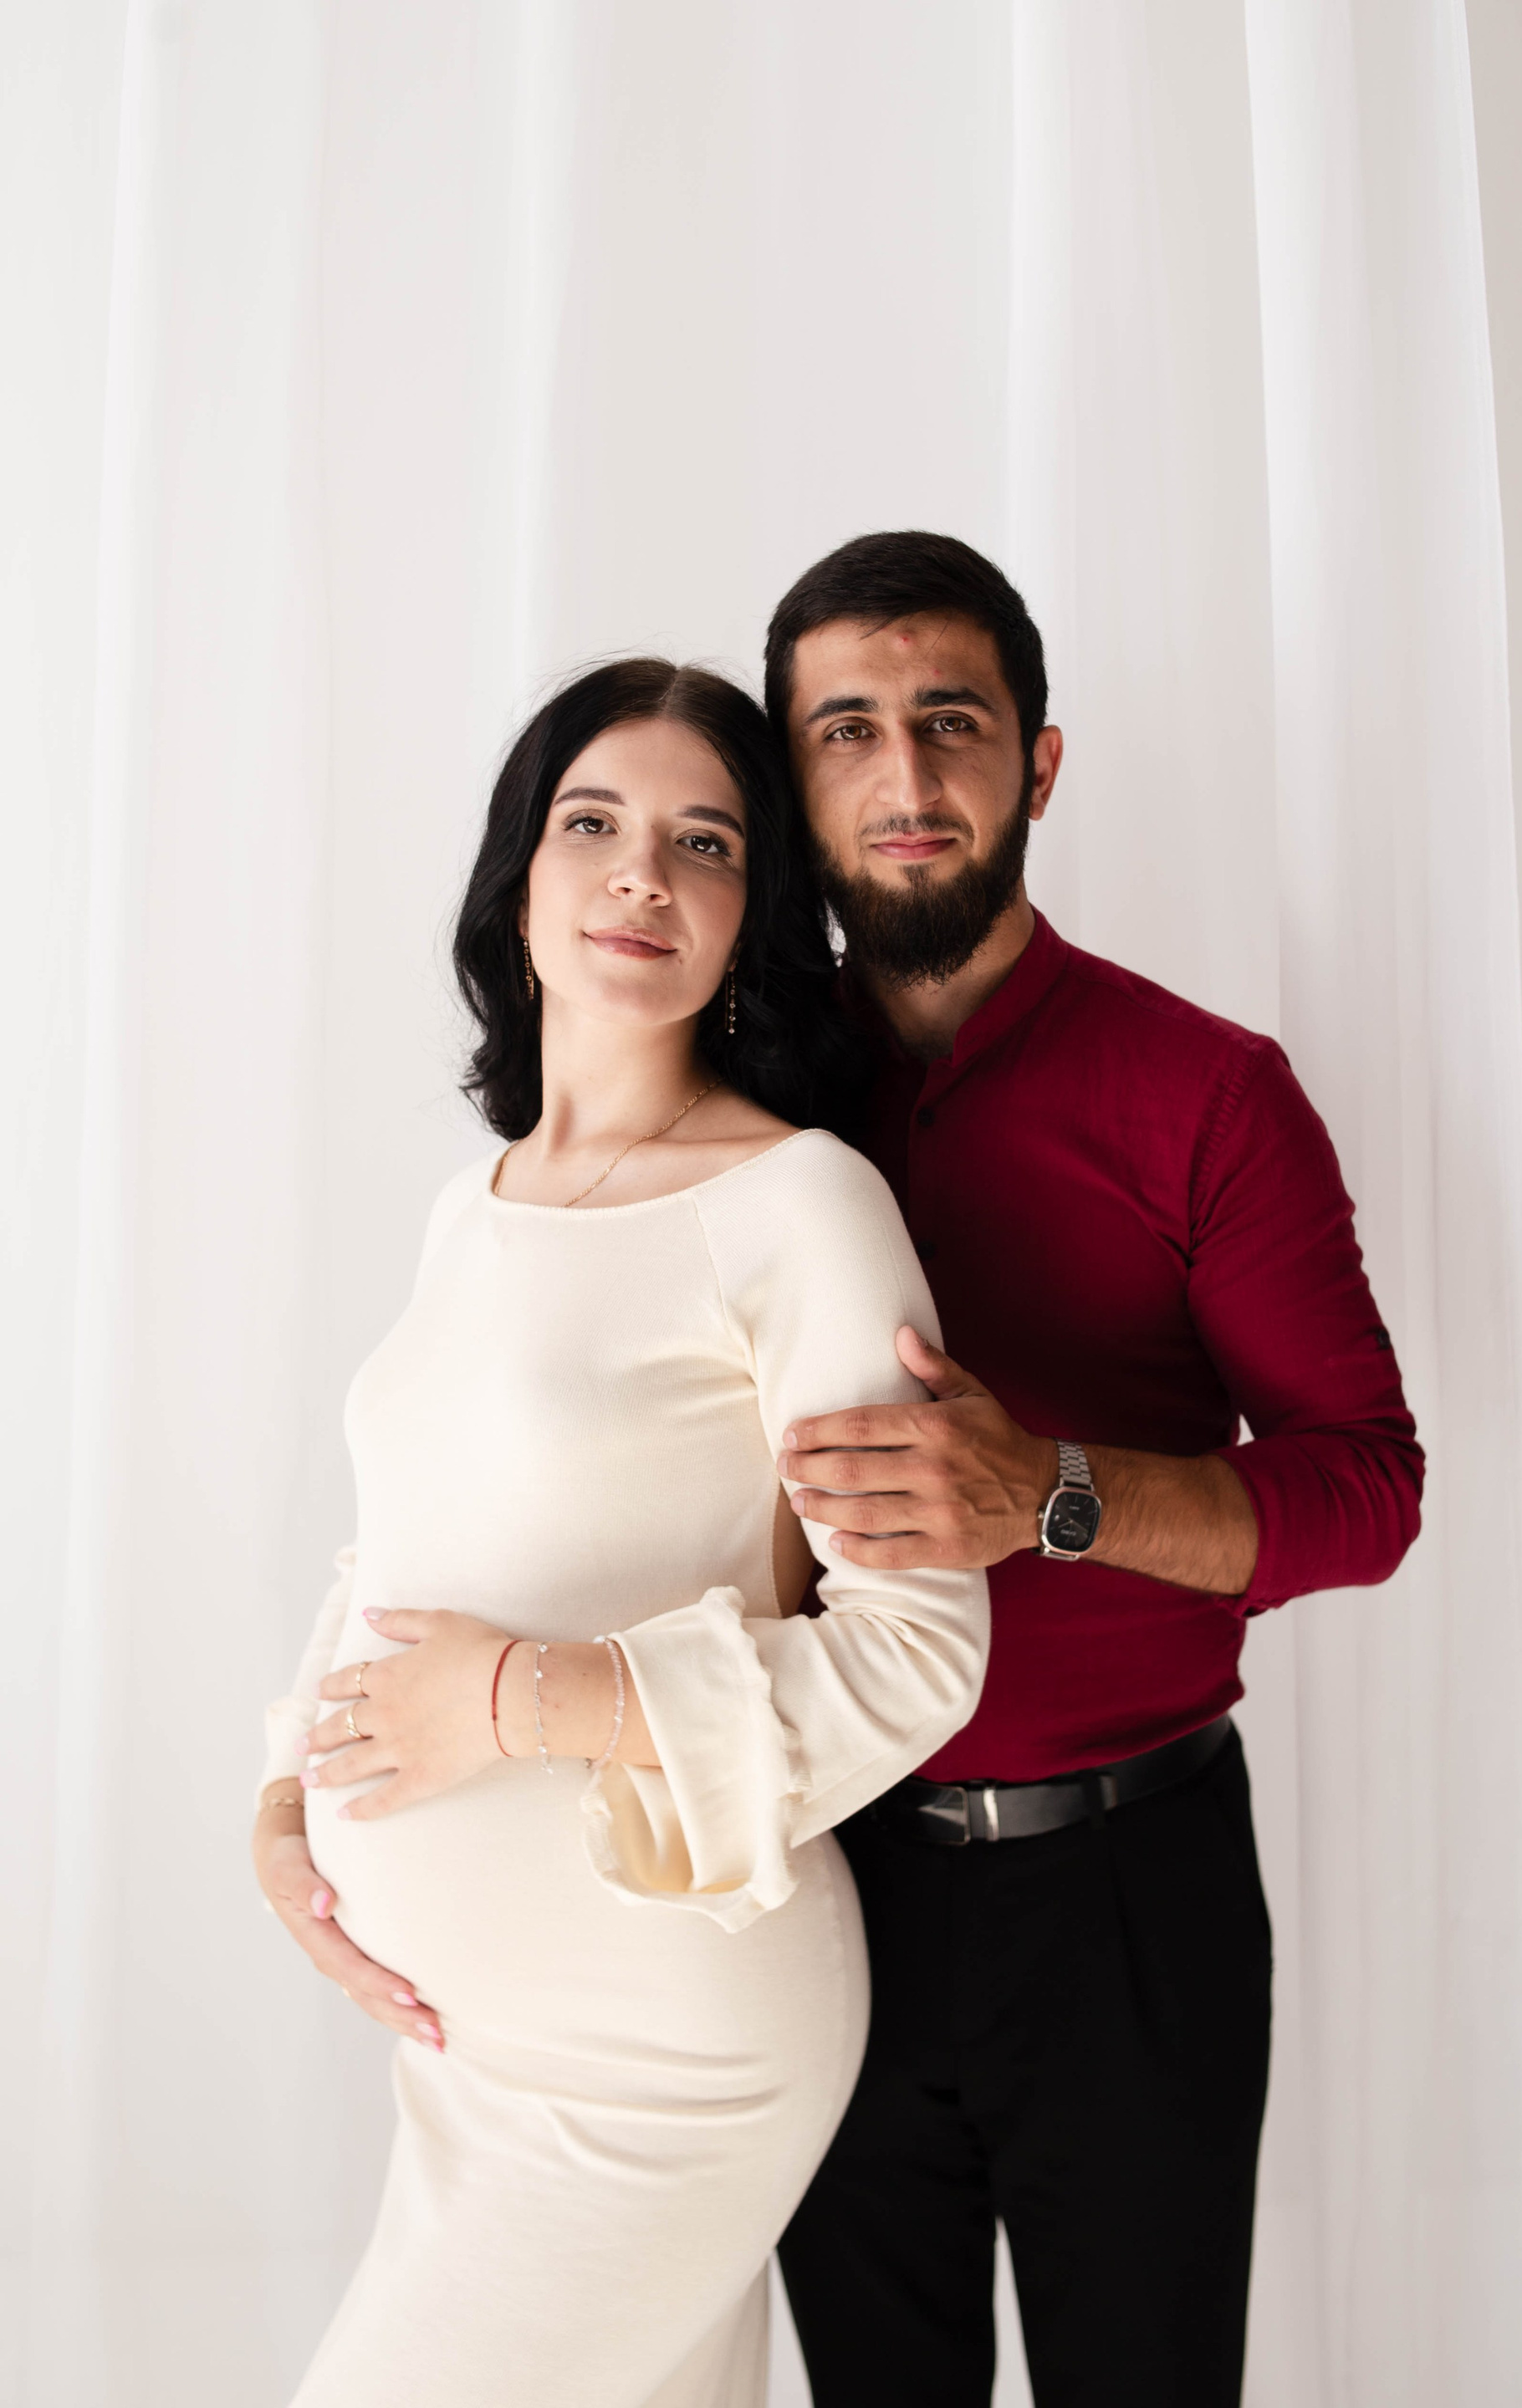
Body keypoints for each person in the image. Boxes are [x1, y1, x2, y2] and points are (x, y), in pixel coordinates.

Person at [251, 657, 988, 2408]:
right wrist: (288, 1801)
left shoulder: (801, 1205)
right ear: (519, 880)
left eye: (705, 842)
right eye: (593, 824)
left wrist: (517, 1700)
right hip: (467, 2052)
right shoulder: (475, 1203)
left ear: (754, 913)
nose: (643, 874)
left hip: (666, 2045)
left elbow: (918, 1652)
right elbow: (397, 1554)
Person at [764, 532, 1425, 2408]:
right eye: (846, 731)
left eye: (953, 723)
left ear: (1039, 764)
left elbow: (1366, 1490)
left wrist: (1051, 1492)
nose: (905, 779)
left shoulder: (1210, 1093)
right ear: (789, 783)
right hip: (818, 1886)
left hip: (1133, 1900)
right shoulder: (740, 1106)